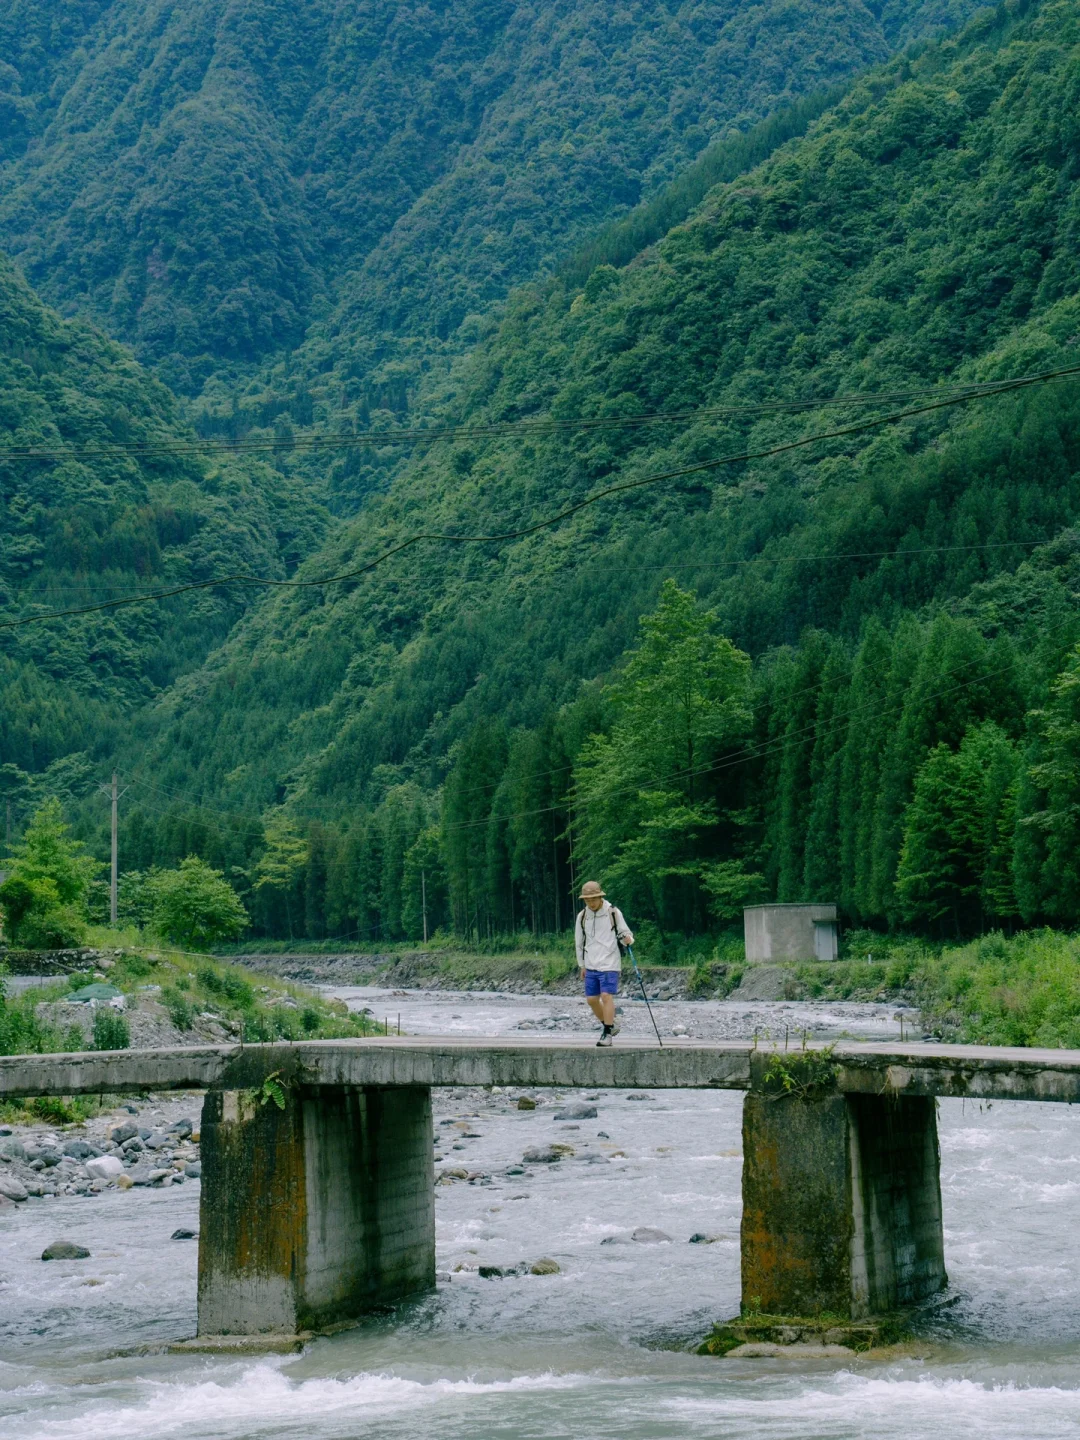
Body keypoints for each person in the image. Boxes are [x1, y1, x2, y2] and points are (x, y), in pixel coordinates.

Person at [575, 880, 634, 1047]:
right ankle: (611, 1023)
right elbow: (579, 943)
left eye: (593, 899)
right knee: (592, 1000)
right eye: (587, 900)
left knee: (607, 996)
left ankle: (607, 1033)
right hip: (591, 963)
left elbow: (625, 932)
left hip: (609, 962)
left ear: (600, 897)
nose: (591, 903)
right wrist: (582, 965)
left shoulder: (613, 912)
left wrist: (628, 939)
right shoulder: (582, 917)